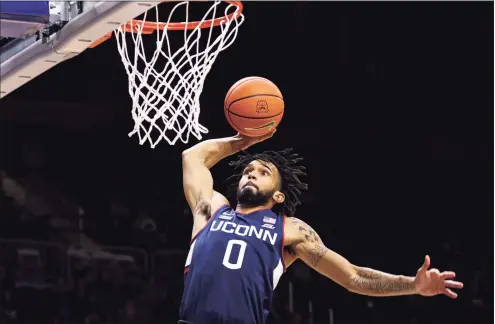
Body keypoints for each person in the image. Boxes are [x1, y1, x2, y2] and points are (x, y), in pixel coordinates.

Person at [178, 130, 463, 324]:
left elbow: (353, 277)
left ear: (278, 195)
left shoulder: (290, 230)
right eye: (247, 171)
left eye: (264, 172)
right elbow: (192, 157)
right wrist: (242, 140)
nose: (251, 173)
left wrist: (412, 285)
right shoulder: (211, 210)